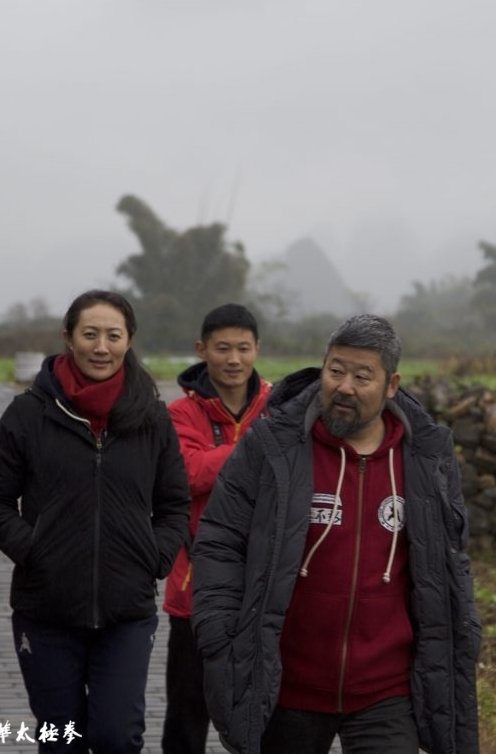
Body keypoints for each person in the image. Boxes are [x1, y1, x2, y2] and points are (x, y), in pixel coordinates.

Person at [191, 314, 481, 754]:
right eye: (336, 370)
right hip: (288, 687)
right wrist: (218, 630)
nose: (344, 386)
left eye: (362, 376)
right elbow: (220, 540)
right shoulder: (273, 446)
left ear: (391, 385)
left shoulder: (425, 456)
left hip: (387, 690)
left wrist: (467, 630)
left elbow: (450, 557)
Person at [0, 289, 190, 754]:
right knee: (61, 739)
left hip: (126, 612)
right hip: (46, 611)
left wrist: (155, 557)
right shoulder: (28, 413)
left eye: (114, 336)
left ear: (129, 340)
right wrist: (34, 550)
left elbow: (175, 504)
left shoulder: (151, 417)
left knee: (117, 737)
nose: (101, 347)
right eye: (90, 334)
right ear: (68, 337)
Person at [161, 304, 272, 754]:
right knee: (186, 715)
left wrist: (224, 458)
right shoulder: (180, 413)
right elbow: (186, 473)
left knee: (264, 712)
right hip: (195, 589)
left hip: (265, 587)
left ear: (257, 349)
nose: (234, 359)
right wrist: (257, 448)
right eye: (223, 348)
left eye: (243, 348)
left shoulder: (278, 406)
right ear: (201, 350)